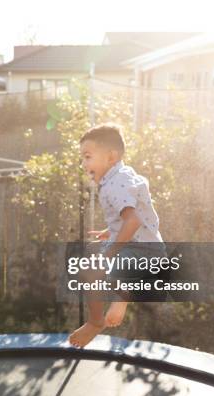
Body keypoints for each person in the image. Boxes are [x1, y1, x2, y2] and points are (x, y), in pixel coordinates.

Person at [69, 123, 164, 348]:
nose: (83, 164)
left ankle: (100, 317)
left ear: (111, 157)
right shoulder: (120, 175)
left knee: (95, 266)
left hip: (142, 250)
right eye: (82, 158)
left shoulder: (115, 184)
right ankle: (118, 296)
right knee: (92, 260)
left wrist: (110, 251)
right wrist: (109, 233)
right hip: (147, 246)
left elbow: (133, 220)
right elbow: (133, 214)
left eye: (88, 157)